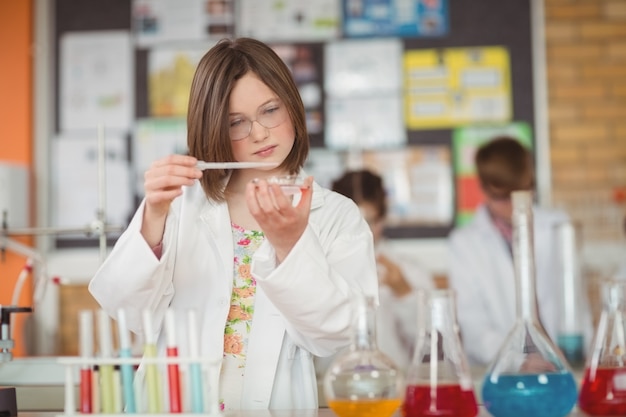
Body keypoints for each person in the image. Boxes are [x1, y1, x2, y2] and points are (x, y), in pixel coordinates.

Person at [88, 37, 378, 411]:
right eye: (236, 122)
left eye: (270, 110)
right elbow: (127, 311)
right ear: (213, 130)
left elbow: (338, 334)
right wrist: (154, 216)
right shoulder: (182, 204)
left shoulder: (336, 215)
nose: (259, 134)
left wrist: (291, 245)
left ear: (293, 104)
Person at [447, 136, 591, 367]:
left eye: (523, 193)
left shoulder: (557, 227)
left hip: (564, 362)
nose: (516, 205)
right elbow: (472, 323)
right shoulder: (464, 243)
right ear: (484, 189)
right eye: (503, 197)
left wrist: (579, 354)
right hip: (502, 369)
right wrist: (519, 360)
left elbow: (576, 303)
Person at [330, 169, 434, 368]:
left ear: (383, 218)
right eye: (353, 221)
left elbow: (430, 344)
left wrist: (403, 292)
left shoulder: (409, 271)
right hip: (331, 388)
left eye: (370, 221)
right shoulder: (318, 267)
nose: (362, 231)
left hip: (393, 386)